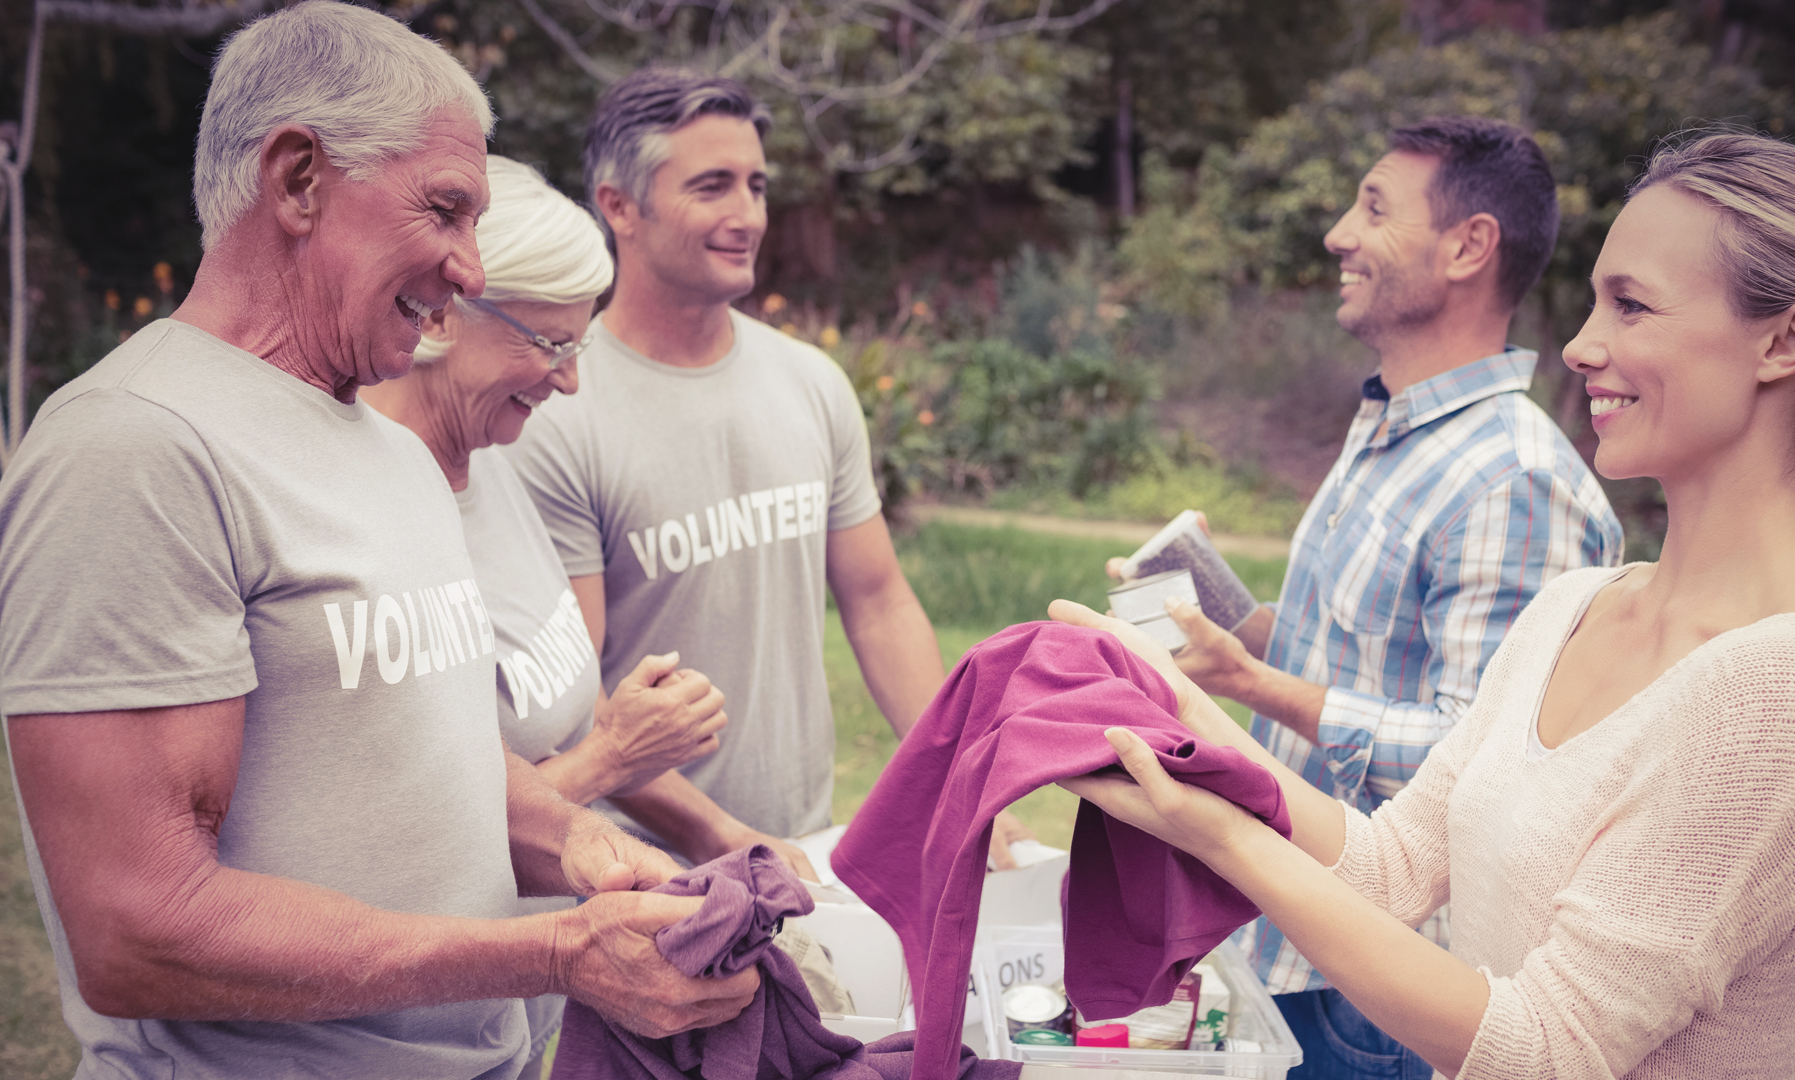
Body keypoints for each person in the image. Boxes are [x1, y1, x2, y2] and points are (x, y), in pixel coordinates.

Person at [0, 6, 756, 1078]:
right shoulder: (136, 448)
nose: (468, 266)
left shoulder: (396, 450)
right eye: (444, 210)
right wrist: (551, 952)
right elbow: (137, 928)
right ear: (299, 178)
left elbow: (434, 755)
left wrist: (584, 845)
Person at [1061, 129, 1795, 1079]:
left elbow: (1547, 1050)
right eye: (1594, 302)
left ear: (1786, 340)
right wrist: (1187, 728)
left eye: (1631, 305)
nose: (1583, 347)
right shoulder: (1574, 608)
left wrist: (1213, 829)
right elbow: (1392, 868)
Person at [1108, 116, 1620, 1076]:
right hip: (1280, 934)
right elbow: (1346, 656)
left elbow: (1483, 771)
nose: (1339, 232)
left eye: (1374, 208)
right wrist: (1215, 611)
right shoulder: (1390, 422)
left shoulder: (1514, 481)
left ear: (1469, 246)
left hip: (1373, 990)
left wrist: (1253, 690)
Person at [360, 153, 823, 1070]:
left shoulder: (497, 469)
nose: (569, 381)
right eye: (549, 344)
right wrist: (611, 755)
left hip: (512, 1021)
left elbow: (543, 734)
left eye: (579, 346)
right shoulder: (372, 506)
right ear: (449, 312)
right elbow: (405, 837)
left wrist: (719, 832)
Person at [504, 70, 1032, 863]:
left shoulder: (809, 382)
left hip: (802, 844)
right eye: (712, 186)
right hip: (643, 872)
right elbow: (576, 703)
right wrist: (722, 837)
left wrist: (972, 780)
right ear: (619, 207)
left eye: (755, 186)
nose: (747, 215)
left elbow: (880, 603)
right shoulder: (561, 409)